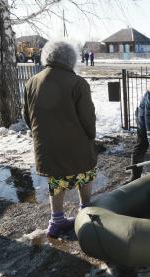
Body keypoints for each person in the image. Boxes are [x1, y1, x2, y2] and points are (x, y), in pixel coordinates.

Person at [23, 40, 97, 238]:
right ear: (71, 59)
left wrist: (41, 136)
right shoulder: (78, 83)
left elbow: (27, 116)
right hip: (76, 146)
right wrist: (91, 136)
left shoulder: (32, 82)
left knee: (57, 181)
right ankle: (85, 212)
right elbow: (88, 118)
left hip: (47, 147)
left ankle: (56, 221)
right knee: (84, 174)